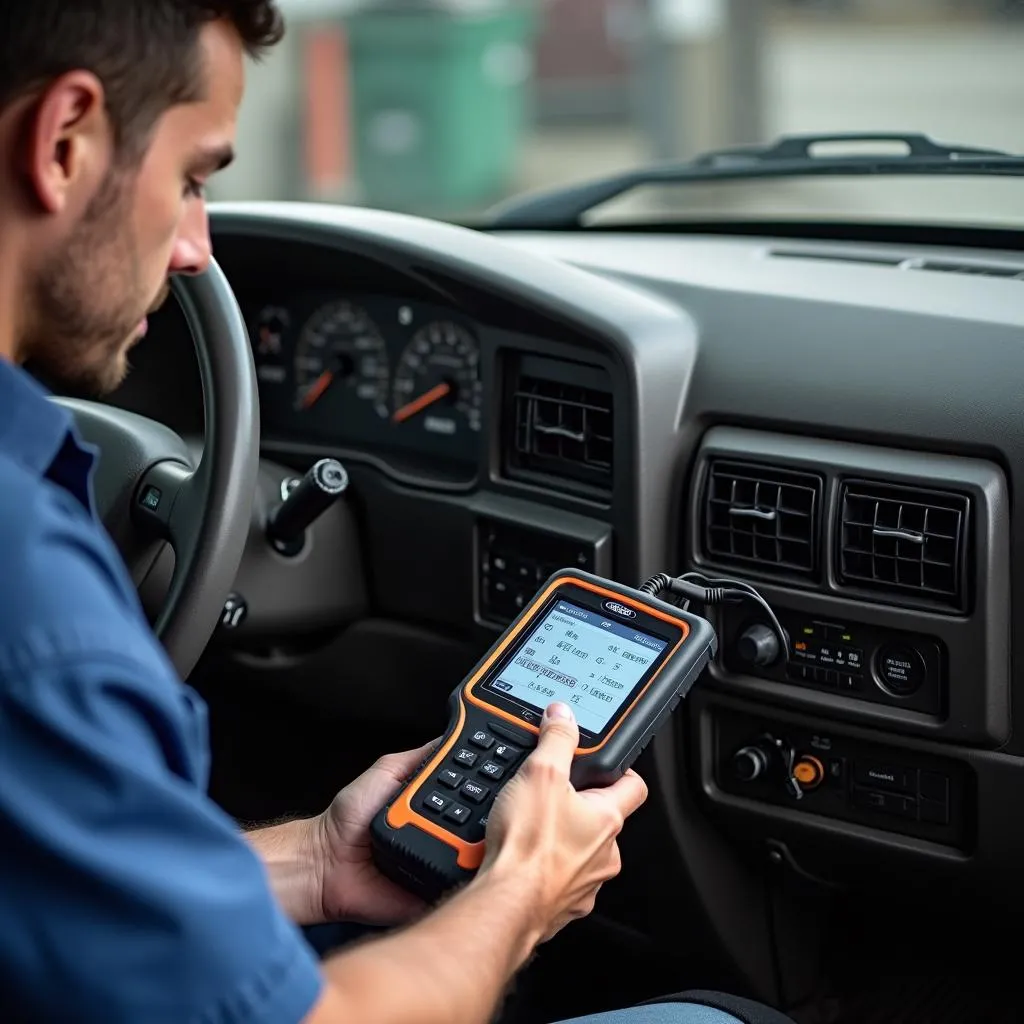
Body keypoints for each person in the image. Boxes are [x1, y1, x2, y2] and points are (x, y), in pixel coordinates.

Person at [0, 4, 797, 1023]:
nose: (197, 246)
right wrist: (522, 889)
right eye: (194, 178)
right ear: (64, 142)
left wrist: (320, 858)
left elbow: (68, 887)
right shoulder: (37, 606)